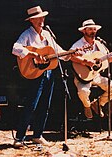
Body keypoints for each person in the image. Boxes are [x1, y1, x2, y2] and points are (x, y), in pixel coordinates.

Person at [12, 6, 70, 148]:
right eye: (38, 18)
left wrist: (72, 53)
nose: (41, 20)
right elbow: (15, 48)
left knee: (45, 105)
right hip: (35, 73)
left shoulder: (47, 34)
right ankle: (19, 137)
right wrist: (33, 54)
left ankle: (37, 135)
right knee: (31, 105)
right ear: (31, 20)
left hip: (48, 73)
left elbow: (58, 51)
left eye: (42, 17)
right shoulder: (27, 34)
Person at [69, 19, 112, 119]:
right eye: (90, 29)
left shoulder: (100, 45)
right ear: (84, 31)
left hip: (96, 76)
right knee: (83, 92)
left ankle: (98, 103)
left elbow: (107, 60)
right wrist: (86, 62)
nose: (93, 31)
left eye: (94, 29)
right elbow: (71, 56)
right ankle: (87, 106)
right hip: (83, 77)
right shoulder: (78, 44)